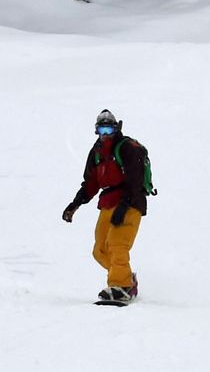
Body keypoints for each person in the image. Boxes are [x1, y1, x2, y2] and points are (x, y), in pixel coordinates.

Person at [62, 109, 151, 304]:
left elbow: (135, 181)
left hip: (130, 200)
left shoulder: (127, 148)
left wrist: (124, 207)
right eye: (102, 130)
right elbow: (91, 183)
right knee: (100, 250)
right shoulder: (96, 153)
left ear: (116, 128)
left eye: (109, 129)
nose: (105, 134)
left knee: (117, 244)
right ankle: (126, 279)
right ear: (96, 131)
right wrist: (74, 205)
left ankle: (121, 286)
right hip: (108, 201)